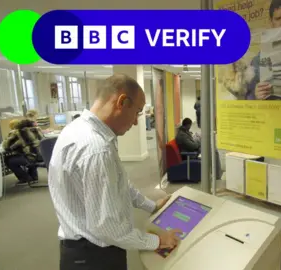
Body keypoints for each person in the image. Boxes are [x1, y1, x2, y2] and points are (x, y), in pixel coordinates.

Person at [48, 74, 181, 270]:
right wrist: (157, 241)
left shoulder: (76, 129)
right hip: (94, 258)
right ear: (121, 102)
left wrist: (150, 206)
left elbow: (117, 184)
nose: (136, 122)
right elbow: (107, 228)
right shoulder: (96, 149)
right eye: (136, 112)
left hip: (78, 251)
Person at [246, 0, 281, 100]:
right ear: (271, 21)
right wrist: (255, 95)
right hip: (268, 113)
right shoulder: (257, 61)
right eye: (277, 18)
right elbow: (246, 96)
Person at [2, 118, 44, 184]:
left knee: (9, 160)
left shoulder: (21, 133)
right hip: (42, 157)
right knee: (30, 153)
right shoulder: (37, 130)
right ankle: (34, 177)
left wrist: (8, 143)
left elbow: (6, 146)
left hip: (31, 158)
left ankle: (26, 178)